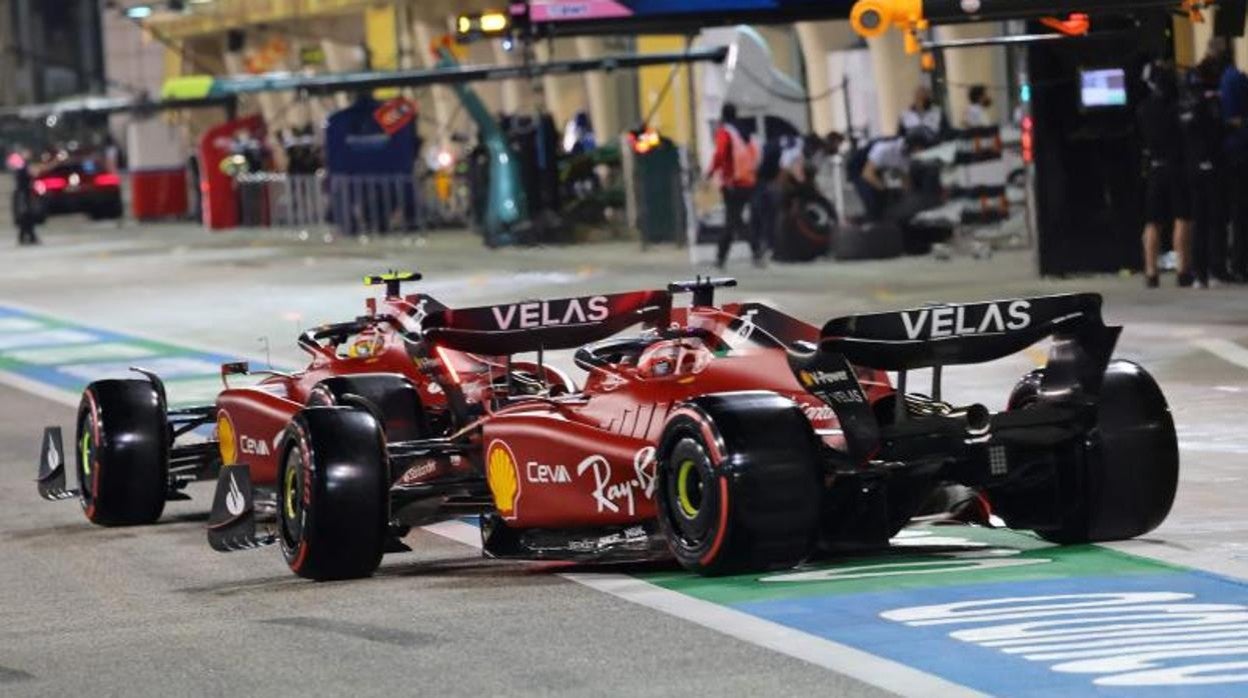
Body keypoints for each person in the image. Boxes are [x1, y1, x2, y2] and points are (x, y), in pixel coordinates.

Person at [1137, 59, 1193, 288]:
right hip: (1177, 167)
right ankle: (1183, 270)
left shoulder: (1144, 109)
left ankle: (1151, 272)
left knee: (1153, 222)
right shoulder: (1177, 107)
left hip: (1155, 168)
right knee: (1182, 218)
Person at [1181, 56, 1228, 287]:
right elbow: (1215, 131)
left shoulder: (1186, 100)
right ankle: (1215, 269)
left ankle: (1199, 272)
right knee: (1215, 219)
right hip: (1210, 166)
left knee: (1198, 220)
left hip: (1192, 166)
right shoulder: (1211, 99)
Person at [706, 102, 762, 268]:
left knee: (733, 220)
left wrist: (711, 171)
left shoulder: (725, 132)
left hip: (732, 182)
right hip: (748, 181)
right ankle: (724, 257)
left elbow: (720, 154)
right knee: (734, 219)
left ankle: (751, 251)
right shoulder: (746, 132)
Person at [1214, 37, 1248, 281]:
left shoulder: (1216, 82)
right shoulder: (1236, 79)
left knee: (1230, 212)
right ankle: (1240, 262)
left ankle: (1231, 262)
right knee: (1240, 211)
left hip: (1224, 154)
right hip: (1240, 153)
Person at [849, 132, 927, 221]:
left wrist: (910, 196)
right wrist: (884, 189)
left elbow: (905, 178)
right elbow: (867, 174)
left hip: (877, 168)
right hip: (859, 168)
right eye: (918, 149)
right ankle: (868, 221)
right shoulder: (884, 149)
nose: (919, 153)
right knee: (872, 200)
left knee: (888, 199)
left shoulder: (906, 156)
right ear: (911, 145)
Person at [11, 153, 38, 246]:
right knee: (26, 216)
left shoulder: (23, 167)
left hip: (25, 194)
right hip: (23, 194)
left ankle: (27, 236)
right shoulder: (22, 168)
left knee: (27, 217)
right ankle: (28, 236)